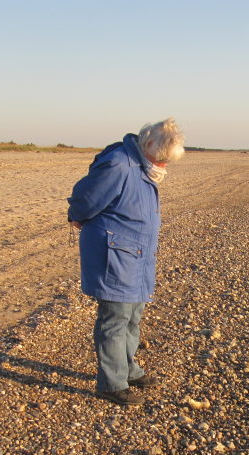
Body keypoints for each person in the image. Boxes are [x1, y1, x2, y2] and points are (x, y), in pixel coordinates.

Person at [67, 118, 185, 406]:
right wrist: (78, 217)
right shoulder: (119, 164)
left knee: (133, 316)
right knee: (115, 319)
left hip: (138, 255)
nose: (163, 167)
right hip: (115, 253)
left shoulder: (142, 165)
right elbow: (86, 198)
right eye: (162, 160)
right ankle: (111, 383)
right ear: (148, 146)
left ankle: (128, 369)